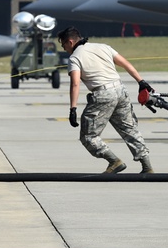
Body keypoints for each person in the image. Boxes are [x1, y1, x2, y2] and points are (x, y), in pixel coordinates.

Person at [57, 26, 154, 174]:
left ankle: (114, 162)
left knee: (88, 136)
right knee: (129, 129)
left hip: (103, 95)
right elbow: (125, 63)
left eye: (63, 45)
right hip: (120, 90)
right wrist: (141, 82)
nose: (64, 49)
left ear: (70, 42)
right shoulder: (103, 47)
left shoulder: (75, 57)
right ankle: (147, 167)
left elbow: (75, 83)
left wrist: (73, 108)